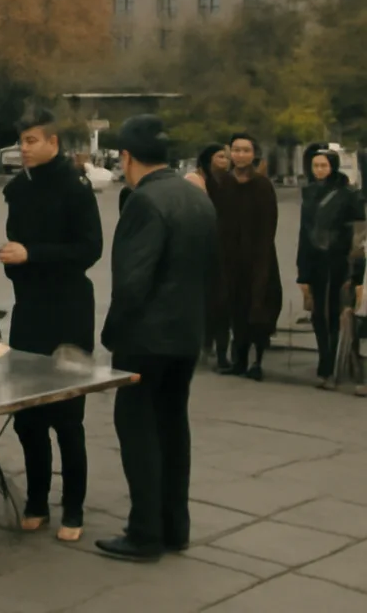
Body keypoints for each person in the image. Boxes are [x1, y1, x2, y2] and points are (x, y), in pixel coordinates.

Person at [96, 115, 217, 562]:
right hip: (186, 334)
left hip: (146, 338)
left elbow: (132, 281)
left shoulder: (145, 202)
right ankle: (174, 526)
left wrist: (112, 334)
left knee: (138, 429)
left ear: (126, 157)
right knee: (172, 428)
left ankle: (144, 531)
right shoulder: (197, 196)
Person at [0, 106, 102, 543]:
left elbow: (89, 249)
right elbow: (16, 242)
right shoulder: (18, 190)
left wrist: (33, 256)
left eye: (32, 140)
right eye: (21, 141)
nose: (24, 148)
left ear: (54, 143)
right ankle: (36, 498)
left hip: (69, 309)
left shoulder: (76, 187)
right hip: (30, 308)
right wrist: (14, 261)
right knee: (28, 414)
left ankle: (73, 505)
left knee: (66, 413)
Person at [297, 148, 366, 388]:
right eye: (315, 165)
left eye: (323, 165)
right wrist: (302, 271)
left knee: (338, 316)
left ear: (333, 166)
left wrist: (356, 271)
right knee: (318, 315)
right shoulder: (309, 192)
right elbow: (303, 233)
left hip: (339, 262)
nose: (319, 170)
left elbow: (359, 234)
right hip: (315, 261)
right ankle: (325, 363)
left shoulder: (348, 195)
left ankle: (334, 368)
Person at [216, 132, 283, 380]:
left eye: (245, 150)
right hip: (230, 258)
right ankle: (239, 360)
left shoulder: (262, 186)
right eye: (236, 150)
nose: (240, 155)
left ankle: (257, 362)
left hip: (258, 256)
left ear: (253, 154)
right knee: (235, 308)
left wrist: (262, 260)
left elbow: (268, 227)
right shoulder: (223, 183)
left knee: (259, 309)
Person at [183, 143, 232, 371]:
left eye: (226, 157)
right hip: (203, 248)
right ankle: (204, 345)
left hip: (225, 248)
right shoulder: (196, 180)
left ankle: (217, 348)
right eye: (220, 156)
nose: (225, 161)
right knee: (206, 301)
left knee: (221, 302)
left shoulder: (227, 181)